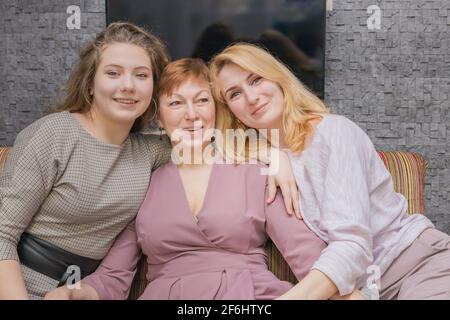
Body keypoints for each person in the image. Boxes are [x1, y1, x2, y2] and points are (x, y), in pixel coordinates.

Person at [44, 58, 364, 300]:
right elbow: (113, 276)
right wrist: (73, 291)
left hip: (246, 297)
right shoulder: (145, 180)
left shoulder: (256, 169)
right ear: (158, 116)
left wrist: (350, 295)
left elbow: (306, 254)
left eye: (201, 100)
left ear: (215, 109)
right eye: (175, 103)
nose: (192, 114)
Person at [209, 43, 450, 300]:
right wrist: (267, 153)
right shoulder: (259, 161)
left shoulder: (334, 133)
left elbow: (352, 246)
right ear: (230, 111)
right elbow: (203, 155)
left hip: (417, 264)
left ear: (278, 78)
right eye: (235, 94)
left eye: (256, 80)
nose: (251, 97)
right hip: (362, 288)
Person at [0, 22, 173, 300]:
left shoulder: (151, 152)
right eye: (113, 73)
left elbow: (219, 148)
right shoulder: (53, 134)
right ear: (90, 83)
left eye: (141, 75)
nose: (128, 85)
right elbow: (2, 233)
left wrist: (268, 153)